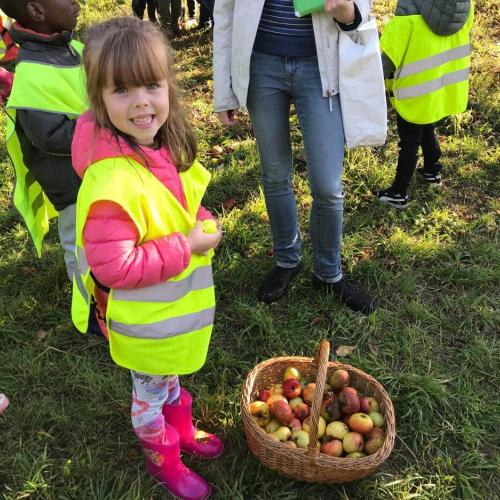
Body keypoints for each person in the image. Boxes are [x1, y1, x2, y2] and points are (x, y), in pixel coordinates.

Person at [71, 16, 223, 498]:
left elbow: (171, 204)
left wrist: (196, 215)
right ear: (100, 99)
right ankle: (164, 457)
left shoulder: (156, 149)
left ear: (169, 88)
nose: (141, 101)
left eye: (152, 85)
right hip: (144, 323)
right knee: (149, 395)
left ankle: (182, 429)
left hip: (168, 319)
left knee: (168, 376)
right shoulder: (112, 182)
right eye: (122, 90)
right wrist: (188, 246)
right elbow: (114, 267)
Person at [214, 0, 375, 315]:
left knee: (328, 187)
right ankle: (287, 259)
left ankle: (328, 273)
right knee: (275, 174)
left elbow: (360, 16)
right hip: (261, 66)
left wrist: (347, 11)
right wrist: (224, 91)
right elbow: (225, 14)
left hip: (320, 67)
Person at [0, 0, 85, 280]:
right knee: (79, 244)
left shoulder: (74, 48)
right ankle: (87, 308)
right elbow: (50, 137)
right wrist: (106, 128)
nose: (75, 1)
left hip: (94, 168)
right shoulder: (31, 74)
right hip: (70, 182)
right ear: (37, 12)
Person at [375, 0, 473, 209]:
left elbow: (385, 63)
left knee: (409, 142)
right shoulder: (464, 8)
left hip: (413, 92)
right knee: (428, 126)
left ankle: (399, 192)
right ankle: (432, 170)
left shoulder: (406, 17)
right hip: (442, 88)